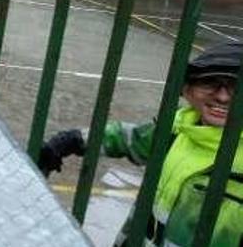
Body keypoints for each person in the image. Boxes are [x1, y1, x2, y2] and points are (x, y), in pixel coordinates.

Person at [38, 42, 243, 246]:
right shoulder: (175, 127)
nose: (222, 96)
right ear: (188, 90)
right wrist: (72, 140)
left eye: (236, 87)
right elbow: (130, 139)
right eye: (209, 83)